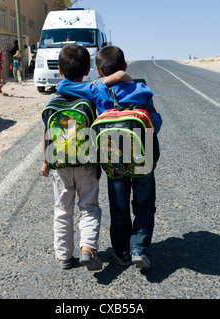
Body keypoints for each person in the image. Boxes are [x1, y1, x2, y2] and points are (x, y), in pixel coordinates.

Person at [56, 45, 162, 269]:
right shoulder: (142, 88)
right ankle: (139, 249)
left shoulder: (98, 90)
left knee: (119, 206)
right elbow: (156, 123)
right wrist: (123, 76)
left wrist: (105, 81)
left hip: (113, 161)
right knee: (144, 205)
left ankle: (122, 253)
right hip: (143, 158)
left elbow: (62, 85)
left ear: (98, 71)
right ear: (124, 66)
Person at [40, 45, 126, 271]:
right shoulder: (91, 91)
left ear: (59, 70)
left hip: (60, 163)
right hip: (86, 163)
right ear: (88, 70)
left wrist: (45, 161)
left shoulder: (53, 98)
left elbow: (46, 133)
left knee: (62, 210)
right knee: (89, 207)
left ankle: (64, 256)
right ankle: (88, 248)